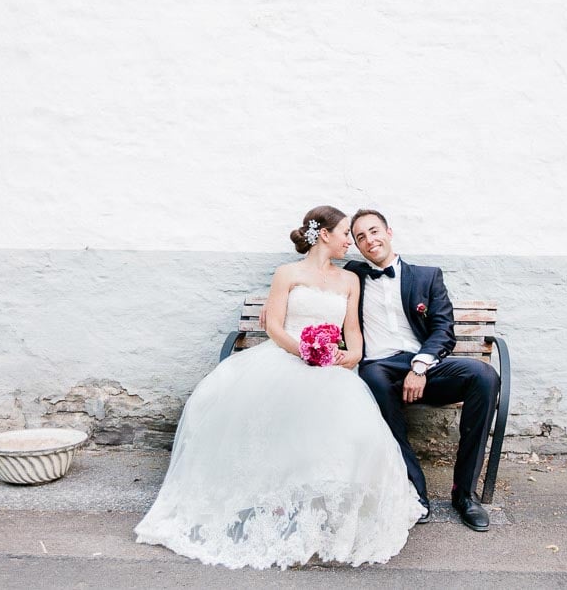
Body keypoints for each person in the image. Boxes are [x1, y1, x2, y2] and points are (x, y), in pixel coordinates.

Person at [134, 206, 424, 569]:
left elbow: (352, 331)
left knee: (344, 417)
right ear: (325, 235)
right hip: (287, 356)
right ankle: (275, 502)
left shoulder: (350, 279)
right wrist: (304, 351)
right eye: (346, 234)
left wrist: (352, 356)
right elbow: (273, 325)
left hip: (330, 366)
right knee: (277, 406)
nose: (350, 241)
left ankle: (322, 509)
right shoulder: (287, 273)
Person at [344, 209, 500, 532]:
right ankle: (415, 491)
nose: (369, 240)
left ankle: (465, 494)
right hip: (380, 370)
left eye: (374, 231)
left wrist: (420, 365)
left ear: (389, 232)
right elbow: (317, 284)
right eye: (360, 237)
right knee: (370, 376)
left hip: (424, 367)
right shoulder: (353, 277)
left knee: (484, 377)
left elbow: (444, 329)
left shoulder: (427, 276)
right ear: (357, 247)